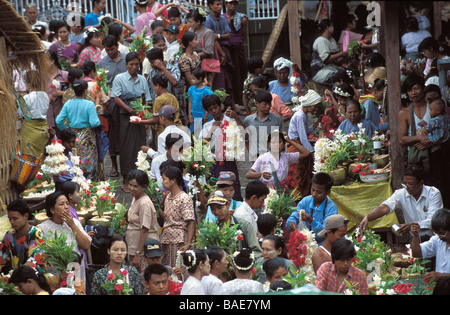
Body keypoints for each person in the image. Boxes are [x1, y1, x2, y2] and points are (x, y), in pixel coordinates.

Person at [360, 164, 443, 241]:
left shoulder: (433, 193)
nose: (407, 187)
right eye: (404, 183)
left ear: (421, 183)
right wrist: (368, 217)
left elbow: (433, 221)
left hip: (433, 238)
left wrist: (411, 226)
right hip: (415, 239)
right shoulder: (401, 193)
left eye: (411, 184)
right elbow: (385, 207)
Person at [110, 52, 151, 191]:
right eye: (131, 64)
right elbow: (116, 97)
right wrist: (129, 110)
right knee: (126, 147)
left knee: (140, 145)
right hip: (125, 116)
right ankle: (126, 179)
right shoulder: (119, 78)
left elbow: (147, 99)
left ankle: (140, 179)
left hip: (139, 117)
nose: (134, 67)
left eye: (136, 64)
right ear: (126, 65)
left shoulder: (142, 80)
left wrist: (144, 115)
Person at [37, 191, 91, 288]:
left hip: (75, 270)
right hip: (55, 274)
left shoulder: (74, 222)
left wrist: (72, 225)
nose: (66, 207)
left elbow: (86, 245)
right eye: (61, 204)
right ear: (52, 210)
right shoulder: (42, 228)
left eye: (67, 203)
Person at [200, 93, 244, 200]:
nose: (214, 111)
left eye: (215, 107)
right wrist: (211, 130)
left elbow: (244, 135)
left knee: (233, 189)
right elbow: (201, 145)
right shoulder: (207, 125)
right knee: (216, 191)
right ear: (208, 111)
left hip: (229, 161)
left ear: (220, 106)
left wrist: (237, 118)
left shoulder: (231, 120)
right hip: (214, 163)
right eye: (210, 109)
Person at [56, 80, 101, 180]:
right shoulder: (89, 104)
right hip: (87, 137)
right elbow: (94, 123)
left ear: (73, 91)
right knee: (88, 165)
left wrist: (67, 130)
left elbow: (58, 120)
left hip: (72, 137)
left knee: (74, 162)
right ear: (85, 91)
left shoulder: (68, 104)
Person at [97, 35, 128, 178]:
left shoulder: (127, 59)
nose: (110, 52)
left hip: (127, 101)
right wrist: (105, 101)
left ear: (117, 46)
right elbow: (100, 85)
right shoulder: (102, 64)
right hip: (111, 104)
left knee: (127, 134)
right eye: (107, 50)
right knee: (113, 135)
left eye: (112, 49)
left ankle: (127, 164)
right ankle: (114, 165)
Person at [286, 172, 338, 245]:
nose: (314, 194)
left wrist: (311, 221)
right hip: (304, 242)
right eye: (313, 190)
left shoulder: (331, 208)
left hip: (322, 244)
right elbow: (294, 214)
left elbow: (326, 232)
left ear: (328, 192)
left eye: (319, 192)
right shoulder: (306, 201)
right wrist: (291, 222)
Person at [207, 190, 262, 258]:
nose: (217, 212)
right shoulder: (213, 229)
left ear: (228, 205)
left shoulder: (244, 225)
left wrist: (244, 259)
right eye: (213, 209)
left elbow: (257, 252)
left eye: (219, 208)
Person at [160, 166, 196, 267]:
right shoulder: (168, 197)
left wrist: (188, 243)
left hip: (179, 240)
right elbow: (168, 218)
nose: (162, 182)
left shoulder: (184, 198)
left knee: (178, 269)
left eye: (164, 179)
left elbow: (191, 222)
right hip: (167, 239)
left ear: (173, 180)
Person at [125, 170, 159, 273]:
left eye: (135, 186)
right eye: (130, 185)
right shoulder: (136, 198)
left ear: (143, 187)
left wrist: (138, 253)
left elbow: (144, 229)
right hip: (134, 247)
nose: (131, 188)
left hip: (143, 250)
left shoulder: (144, 203)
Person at [0, 199, 44, 274]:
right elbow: (1, 256)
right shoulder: (10, 234)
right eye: (9, 219)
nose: (12, 222)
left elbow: (33, 262)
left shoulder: (36, 233)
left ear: (26, 216)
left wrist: (15, 275)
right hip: (14, 276)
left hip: (33, 277)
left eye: (15, 218)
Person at [410, 209, 450, 283]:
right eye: (437, 233)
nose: (440, 237)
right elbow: (417, 254)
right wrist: (415, 236)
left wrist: (442, 276)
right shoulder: (437, 239)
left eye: (442, 233)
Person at [244, 90, 285, 160]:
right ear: (257, 103)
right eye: (264, 104)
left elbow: (283, 139)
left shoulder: (277, 120)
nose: (268, 106)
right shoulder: (248, 120)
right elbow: (246, 140)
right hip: (257, 158)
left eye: (269, 103)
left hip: (274, 157)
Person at [140, 75, 183, 141]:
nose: (153, 89)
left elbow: (155, 120)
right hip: (176, 129)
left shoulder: (159, 100)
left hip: (163, 131)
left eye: (153, 86)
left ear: (157, 86)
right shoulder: (173, 97)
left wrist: (140, 121)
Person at [19, 70, 51, 158]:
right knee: (42, 157)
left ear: (27, 82)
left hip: (29, 131)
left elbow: (21, 114)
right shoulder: (45, 96)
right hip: (43, 131)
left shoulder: (26, 98)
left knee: (29, 158)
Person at [223, 0, 248, 108]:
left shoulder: (242, 18)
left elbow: (243, 35)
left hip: (238, 48)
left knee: (241, 73)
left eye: (234, 4)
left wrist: (237, 43)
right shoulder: (222, 18)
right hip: (227, 49)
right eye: (230, 3)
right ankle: (230, 101)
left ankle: (240, 100)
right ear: (226, 4)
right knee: (230, 75)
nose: (232, 6)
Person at [310, 19, 347, 85]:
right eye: (332, 26)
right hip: (321, 71)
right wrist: (340, 54)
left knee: (348, 72)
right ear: (327, 27)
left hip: (332, 68)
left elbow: (336, 56)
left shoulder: (332, 40)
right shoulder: (321, 41)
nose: (333, 28)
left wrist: (342, 63)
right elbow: (326, 59)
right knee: (341, 73)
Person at [187, 9, 216, 86]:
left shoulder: (207, 32)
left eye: (191, 22)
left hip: (204, 64)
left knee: (205, 86)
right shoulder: (190, 30)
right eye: (188, 22)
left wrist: (194, 56)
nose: (189, 24)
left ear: (198, 22)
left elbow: (208, 51)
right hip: (193, 65)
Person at [45, 50, 69, 138]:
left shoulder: (65, 75)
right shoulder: (41, 78)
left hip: (62, 114)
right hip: (47, 115)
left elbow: (74, 93)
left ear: (52, 61)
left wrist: (62, 93)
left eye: (44, 60)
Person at [188, 68, 213, 135]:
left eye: (194, 79)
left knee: (203, 134)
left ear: (200, 79)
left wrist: (206, 116)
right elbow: (190, 102)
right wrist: (189, 114)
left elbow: (209, 105)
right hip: (194, 114)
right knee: (195, 134)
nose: (192, 81)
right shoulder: (192, 89)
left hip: (203, 115)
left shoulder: (206, 91)